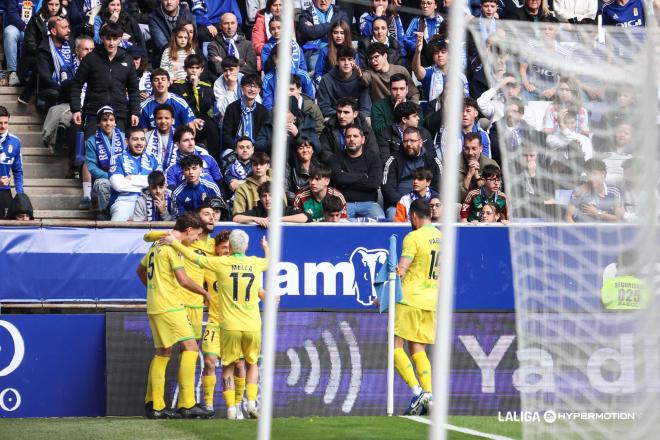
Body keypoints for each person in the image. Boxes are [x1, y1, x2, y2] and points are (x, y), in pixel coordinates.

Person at [161, 229, 270, 420]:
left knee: (229, 365)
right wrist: (267, 249)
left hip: (229, 325)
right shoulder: (255, 262)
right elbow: (269, 262)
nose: (226, 249)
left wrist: (174, 242)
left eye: (229, 246)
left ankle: (232, 407)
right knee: (247, 363)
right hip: (246, 323)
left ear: (232, 247)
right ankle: (247, 403)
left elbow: (194, 258)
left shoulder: (220, 264)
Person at [136, 212, 213, 419]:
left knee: (163, 353)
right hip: (170, 306)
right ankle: (187, 404)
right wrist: (205, 293)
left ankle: (154, 405)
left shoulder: (156, 246)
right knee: (191, 347)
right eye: (196, 235)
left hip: (155, 305)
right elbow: (183, 280)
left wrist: (155, 289)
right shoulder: (171, 248)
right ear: (188, 230)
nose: (196, 239)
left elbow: (140, 271)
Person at [391, 199, 440, 415]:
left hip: (410, 299)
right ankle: (429, 395)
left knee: (394, 346)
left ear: (413, 216)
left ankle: (417, 390)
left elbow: (401, 269)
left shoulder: (413, 237)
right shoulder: (441, 238)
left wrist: (385, 294)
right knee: (418, 349)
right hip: (431, 301)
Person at [71, 21, 140, 139]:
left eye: (115, 38)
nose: (111, 42)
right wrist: (76, 109)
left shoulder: (128, 60)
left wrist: (135, 112)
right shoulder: (90, 59)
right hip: (94, 113)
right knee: (92, 152)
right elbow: (77, 84)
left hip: (118, 114)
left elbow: (133, 90)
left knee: (118, 154)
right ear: (102, 38)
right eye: (108, 38)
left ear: (120, 39)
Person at [382, 127, 441, 220]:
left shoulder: (432, 159)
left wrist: (426, 203)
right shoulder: (393, 160)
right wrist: (405, 202)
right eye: (405, 141)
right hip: (400, 204)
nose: (409, 144)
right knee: (393, 213)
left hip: (428, 203)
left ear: (420, 142)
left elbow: (440, 186)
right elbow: (387, 189)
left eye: (412, 141)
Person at [328, 124, 384, 221]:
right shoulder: (335, 158)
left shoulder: (373, 158)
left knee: (380, 222)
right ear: (344, 140)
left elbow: (374, 183)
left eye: (355, 136)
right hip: (344, 204)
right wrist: (362, 176)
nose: (351, 139)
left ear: (363, 140)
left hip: (369, 204)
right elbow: (337, 178)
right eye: (348, 136)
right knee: (340, 227)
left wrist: (346, 179)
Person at [170, 54, 221, 160]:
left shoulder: (206, 86)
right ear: (185, 69)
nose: (194, 71)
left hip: (202, 117)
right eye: (191, 67)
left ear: (201, 70)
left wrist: (196, 87)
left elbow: (205, 107)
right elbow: (181, 106)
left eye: (197, 68)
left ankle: (213, 160)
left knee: (212, 127)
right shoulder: (177, 85)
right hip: (183, 118)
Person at [108, 127, 159, 220]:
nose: (139, 143)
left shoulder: (153, 160)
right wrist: (147, 183)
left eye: (142, 139)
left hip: (148, 201)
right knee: (118, 222)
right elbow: (118, 185)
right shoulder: (116, 158)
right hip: (124, 202)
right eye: (135, 139)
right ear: (126, 141)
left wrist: (132, 179)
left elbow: (159, 182)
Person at [83, 106, 126, 216]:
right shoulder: (91, 141)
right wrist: (110, 176)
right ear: (98, 123)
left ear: (115, 123)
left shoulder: (124, 138)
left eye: (111, 120)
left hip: (124, 176)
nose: (108, 123)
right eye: (104, 120)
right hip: (104, 178)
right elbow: (91, 167)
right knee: (103, 184)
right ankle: (106, 214)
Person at [318, 97, 380, 166]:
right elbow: (323, 153)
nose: (341, 116)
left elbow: (373, 152)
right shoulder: (329, 128)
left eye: (346, 112)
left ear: (355, 114)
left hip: (360, 168)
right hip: (336, 168)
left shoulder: (365, 129)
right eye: (339, 112)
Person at [317, 46, 372, 120]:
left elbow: (365, 108)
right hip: (335, 117)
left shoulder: (361, 79)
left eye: (350, 59)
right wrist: (342, 116)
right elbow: (324, 106)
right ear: (337, 61)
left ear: (354, 61)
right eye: (343, 60)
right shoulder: (326, 79)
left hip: (357, 118)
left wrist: (352, 118)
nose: (346, 63)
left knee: (368, 120)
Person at [564, 158, 624, 223]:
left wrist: (597, 213)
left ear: (603, 174)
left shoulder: (614, 191)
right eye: (588, 174)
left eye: (594, 174)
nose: (590, 178)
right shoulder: (579, 191)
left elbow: (619, 218)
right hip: (583, 229)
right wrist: (577, 229)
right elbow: (568, 217)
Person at [297, 0, 349, 71]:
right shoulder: (306, 14)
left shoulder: (341, 14)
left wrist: (316, 29)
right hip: (315, 53)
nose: (323, 1)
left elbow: (345, 30)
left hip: (337, 50)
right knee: (314, 66)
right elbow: (309, 33)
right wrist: (332, 25)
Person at [413, 37, 468, 103]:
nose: (439, 55)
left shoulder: (460, 76)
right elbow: (416, 70)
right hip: (433, 112)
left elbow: (466, 100)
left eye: (443, 52)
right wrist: (418, 52)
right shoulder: (430, 73)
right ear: (433, 57)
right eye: (436, 53)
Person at [233, 181, 311, 227]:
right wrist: (255, 219)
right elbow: (235, 218)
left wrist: (277, 219)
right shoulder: (257, 211)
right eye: (264, 196)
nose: (267, 199)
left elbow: (306, 217)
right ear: (260, 198)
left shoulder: (287, 210)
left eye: (271, 195)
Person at [222, 74, 270, 147]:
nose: (252, 89)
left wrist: (253, 149)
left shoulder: (263, 111)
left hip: (256, 149)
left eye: (255, 87)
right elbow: (226, 134)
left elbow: (264, 136)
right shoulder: (231, 108)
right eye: (248, 86)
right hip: (234, 148)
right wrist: (236, 148)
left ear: (259, 90)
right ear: (241, 87)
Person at [36, 16, 74, 109]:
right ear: (54, 31)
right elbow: (46, 78)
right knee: (55, 94)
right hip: (51, 88)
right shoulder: (44, 50)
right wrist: (64, 89)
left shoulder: (71, 44)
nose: (68, 30)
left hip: (71, 86)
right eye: (64, 28)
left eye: (68, 27)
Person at [207, 12, 257, 77]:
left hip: (244, 81)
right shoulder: (213, 45)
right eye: (226, 23)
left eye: (232, 23)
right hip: (223, 81)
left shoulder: (248, 44)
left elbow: (251, 68)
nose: (230, 27)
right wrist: (242, 63)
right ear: (220, 26)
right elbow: (218, 69)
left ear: (237, 24)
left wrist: (223, 60)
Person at [148, 0, 195, 68]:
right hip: (165, 57)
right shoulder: (153, 17)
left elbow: (192, 39)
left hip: (187, 53)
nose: (169, 2)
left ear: (178, 1)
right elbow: (162, 44)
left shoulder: (189, 16)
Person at [458, 132, 500, 202]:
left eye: (474, 148)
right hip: (461, 206)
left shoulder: (492, 165)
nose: (470, 153)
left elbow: (495, 196)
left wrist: (477, 176)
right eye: (466, 148)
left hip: (486, 207)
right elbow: (456, 197)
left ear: (481, 149)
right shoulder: (453, 165)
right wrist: (469, 175)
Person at [0, 106, 24, 219]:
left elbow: (18, 171)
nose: (3, 126)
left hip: (4, 192)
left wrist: (20, 195)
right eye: (0, 123)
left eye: (6, 122)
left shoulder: (15, 142)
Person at [313, 20, 355, 85]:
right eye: (335, 32)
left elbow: (356, 71)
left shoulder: (353, 51)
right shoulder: (325, 50)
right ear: (331, 34)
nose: (338, 36)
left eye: (342, 33)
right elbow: (318, 73)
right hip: (329, 86)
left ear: (346, 34)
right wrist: (324, 85)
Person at [251, 0, 283, 70]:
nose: (278, 8)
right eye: (275, 5)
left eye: (280, 5)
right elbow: (257, 45)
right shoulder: (261, 20)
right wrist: (274, 50)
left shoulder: (287, 18)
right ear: (269, 6)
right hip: (268, 56)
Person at [144, 104, 177, 169]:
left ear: (172, 120)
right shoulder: (146, 137)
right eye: (159, 118)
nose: (163, 121)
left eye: (167, 118)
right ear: (154, 120)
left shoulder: (180, 135)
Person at [222, 136, 254, 200]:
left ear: (252, 150)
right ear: (236, 150)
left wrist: (240, 182)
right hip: (236, 202)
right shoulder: (230, 167)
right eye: (241, 147)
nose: (245, 150)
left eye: (248, 147)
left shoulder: (259, 164)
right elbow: (234, 185)